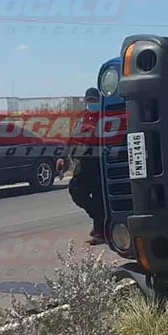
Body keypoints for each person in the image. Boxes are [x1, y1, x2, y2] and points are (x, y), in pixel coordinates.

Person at [68, 88, 106, 245]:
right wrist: (64, 156)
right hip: (82, 160)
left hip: (97, 160)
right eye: (89, 101)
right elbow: (73, 137)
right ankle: (101, 220)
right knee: (76, 190)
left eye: (94, 101)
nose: (92, 104)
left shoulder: (105, 117)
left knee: (97, 195)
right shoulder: (82, 118)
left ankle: (101, 230)